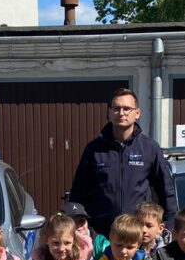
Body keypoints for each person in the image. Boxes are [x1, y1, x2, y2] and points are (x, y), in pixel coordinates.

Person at [68, 87, 176, 238]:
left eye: (126, 108)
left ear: (137, 113)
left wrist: (169, 227)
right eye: (116, 108)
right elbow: (78, 192)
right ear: (109, 113)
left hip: (138, 233)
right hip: (100, 235)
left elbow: (166, 192)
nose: (121, 113)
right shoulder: (94, 149)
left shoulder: (150, 148)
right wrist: (76, 222)